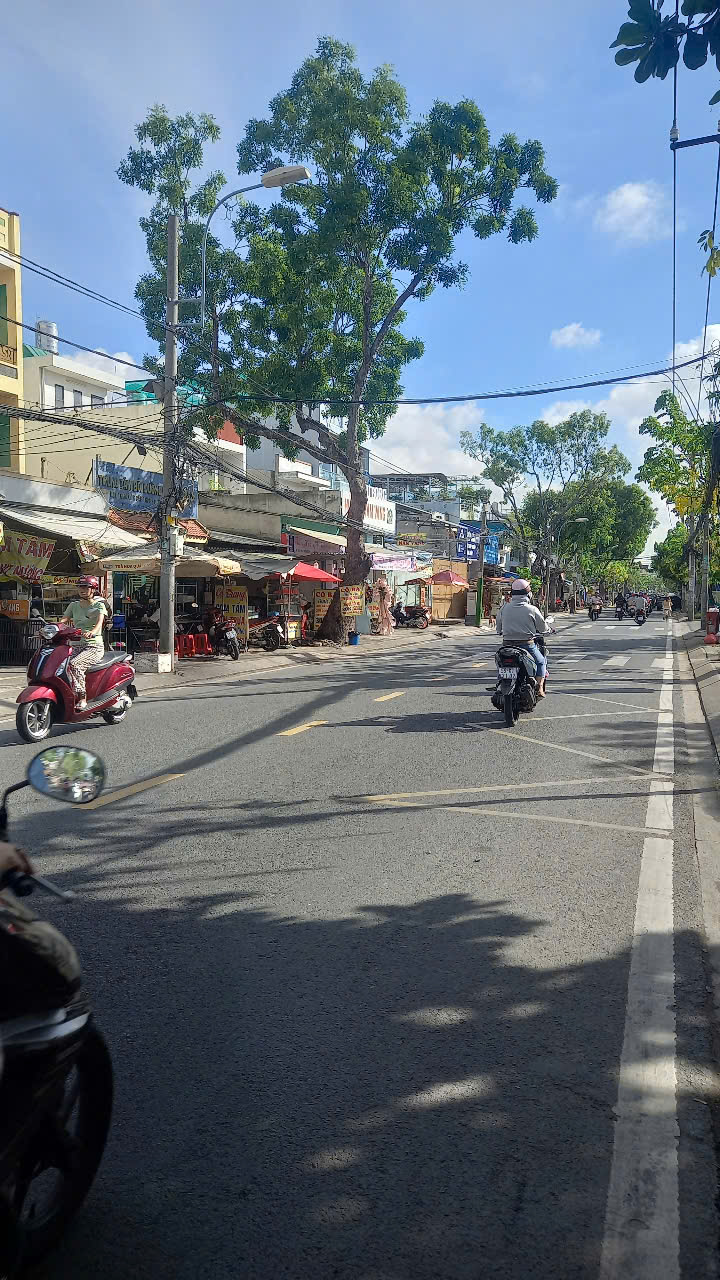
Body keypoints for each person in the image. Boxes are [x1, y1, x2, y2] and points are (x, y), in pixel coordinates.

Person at [60, 575, 108, 711]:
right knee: (60, 666)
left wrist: (92, 632)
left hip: (93, 646)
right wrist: (50, 628)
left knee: (75, 665)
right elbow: (63, 621)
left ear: (93, 589)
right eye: (80, 587)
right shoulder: (73, 605)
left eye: (86, 587)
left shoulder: (99, 605)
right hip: (75, 645)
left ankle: (82, 697)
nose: (82, 590)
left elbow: (99, 623)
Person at [496, 578, 548, 697]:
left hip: (507, 644)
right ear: (528, 594)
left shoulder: (504, 608)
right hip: (527, 645)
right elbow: (543, 627)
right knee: (541, 662)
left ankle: (500, 682)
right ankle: (540, 688)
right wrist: (547, 630)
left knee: (500, 662)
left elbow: (498, 627)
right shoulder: (532, 609)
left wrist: (500, 631)